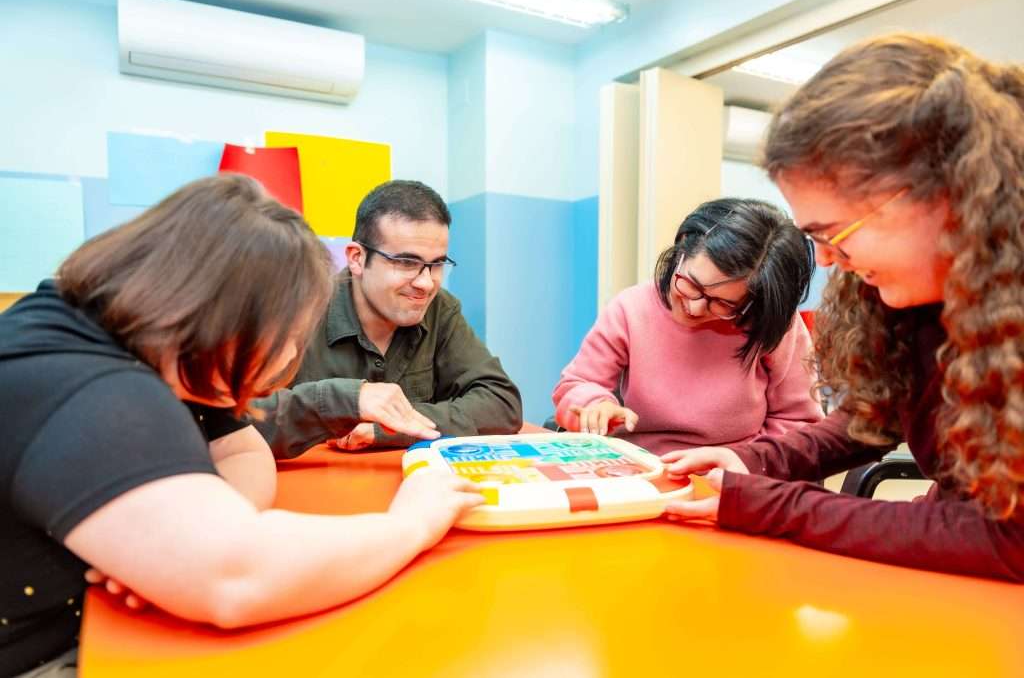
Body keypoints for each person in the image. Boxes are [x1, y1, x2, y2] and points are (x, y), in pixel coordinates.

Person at [0, 175, 483, 676]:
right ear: (219, 316)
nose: (292, 356)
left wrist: (185, 540)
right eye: (287, 335)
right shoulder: (92, 386)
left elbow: (242, 450)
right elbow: (237, 578)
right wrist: (411, 524)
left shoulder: (145, 337)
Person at [662, 33, 1024, 582]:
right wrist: (755, 462)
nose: (829, 261)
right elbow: (871, 419)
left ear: (948, 192)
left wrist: (774, 507)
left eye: (836, 234)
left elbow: (1007, 540)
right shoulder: (918, 301)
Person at [253, 180, 523, 458]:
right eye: (406, 262)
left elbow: (502, 403)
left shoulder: (440, 308)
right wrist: (343, 400)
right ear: (357, 258)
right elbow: (236, 422)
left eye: (437, 264)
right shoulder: (299, 307)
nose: (426, 284)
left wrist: (389, 427)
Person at [553, 198, 822, 455]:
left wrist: (749, 464)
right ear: (681, 248)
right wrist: (594, 404)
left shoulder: (775, 324)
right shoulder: (631, 308)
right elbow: (576, 385)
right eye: (691, 283)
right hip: (644, 467)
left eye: (723, 303)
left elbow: (800, 421)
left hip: (735, 473)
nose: (694, 308)